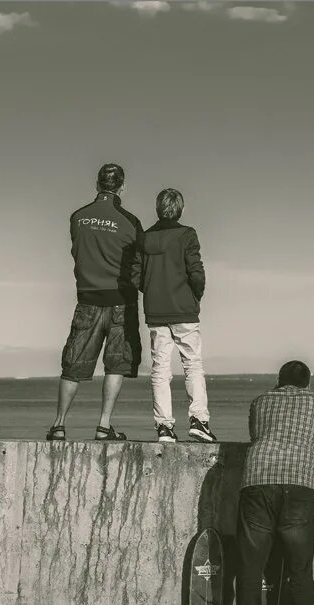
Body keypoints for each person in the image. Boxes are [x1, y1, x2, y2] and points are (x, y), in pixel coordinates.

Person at [229, 361, 314, 605]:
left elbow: (255, 434)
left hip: (258, 481)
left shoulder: (260, 401)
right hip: (299, 485)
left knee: (250, 569)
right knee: (300, 571)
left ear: (279, 381)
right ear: (308, 383)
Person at [48, 163, 144, 442]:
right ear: (122, 186)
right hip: (120, 301)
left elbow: (77, 250)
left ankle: (59, 424)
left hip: (87, 298)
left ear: (97, 185)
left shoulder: (78, 217)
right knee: (116, 364)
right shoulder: (130, 221)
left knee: (73, 365)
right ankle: (103, 425)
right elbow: (137, 262)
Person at [136, 188, 216, 444]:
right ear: (180, 209)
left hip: (156, 311)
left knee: (160, 369)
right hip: (184, 309)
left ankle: (164, 428)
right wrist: (195, 296)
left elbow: (134, 276)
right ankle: (199, 420)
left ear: (158, 209)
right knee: (192, 364)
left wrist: (152, 291)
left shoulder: (145, 238)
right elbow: (196, 272)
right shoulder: (187, 235)